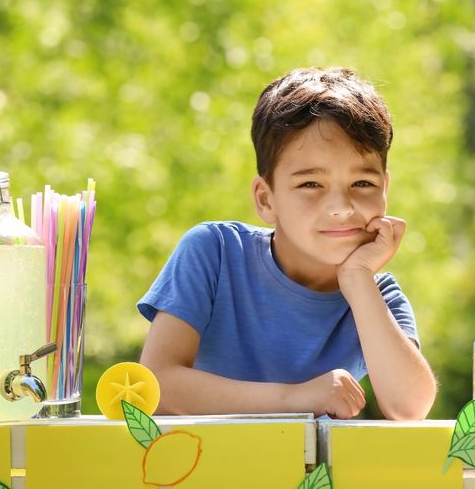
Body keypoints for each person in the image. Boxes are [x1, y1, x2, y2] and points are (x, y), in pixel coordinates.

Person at [138, 67, 437, 420]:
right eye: (311, 184)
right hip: (201, 467)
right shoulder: (214, 252)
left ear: (385, 190)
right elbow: (155, 386)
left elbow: (410, 407)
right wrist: (298, 398)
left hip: (309, 476)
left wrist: (357, 279)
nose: (341, 207)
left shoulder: (376, 296)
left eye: (362, 184)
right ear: (266, 199)